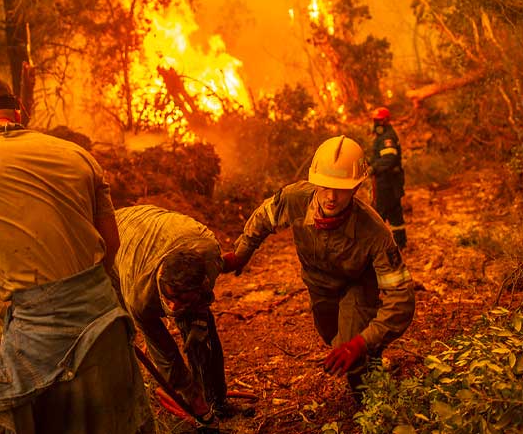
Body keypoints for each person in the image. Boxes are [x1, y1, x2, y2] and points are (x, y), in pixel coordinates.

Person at [0, 70, 154, 434]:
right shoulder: (78, 155)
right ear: (19, 112)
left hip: (35, 339)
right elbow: (110, 244)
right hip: (106, 328)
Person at [222, 136, 415, 398]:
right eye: (324, 186)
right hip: (319, 287)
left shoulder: (375, 232)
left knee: (353, 355)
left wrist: (362, 342)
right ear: (314, 181)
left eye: (342, 188)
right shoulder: (294, 199)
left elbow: (401, 299)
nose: (331, 197)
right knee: (331, 338)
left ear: (357, 187)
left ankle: (371, 399)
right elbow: (264, 218)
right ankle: (366, 351)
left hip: (357, 286)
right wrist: (241, 253)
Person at [110, 205, 233, 424]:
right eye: (170, 299)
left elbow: (202, 303)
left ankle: (217, 400)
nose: (174, 308)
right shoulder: (139, 295)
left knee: (202, 334)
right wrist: (189, 392)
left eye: (183, 300)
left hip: (167, 229)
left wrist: (198, 323)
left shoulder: (209, 256)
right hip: (115, 236)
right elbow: (164, 352)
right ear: (160, 282)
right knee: (120, 326)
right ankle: (129, 398)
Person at [369, 107, 407, 249]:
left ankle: (375, 246)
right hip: (390, 181)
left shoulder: (387, 138)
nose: (376, 123)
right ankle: (400, 243)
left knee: (378, 213)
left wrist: (374, 168)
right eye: (375, 120)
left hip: (387, 182)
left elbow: (389, 159)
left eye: (378, 120)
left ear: (385, 120)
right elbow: (381, 158)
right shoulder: (383, 136)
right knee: (394, 213)